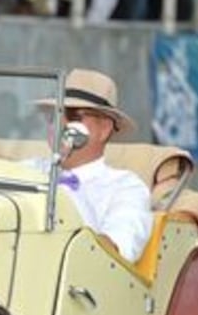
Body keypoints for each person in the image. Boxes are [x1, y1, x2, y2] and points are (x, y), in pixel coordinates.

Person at [27, 68, 152, 262]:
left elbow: (115, 251)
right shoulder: (27, 170)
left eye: (74, 117)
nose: (59, 124)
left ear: (104, 129)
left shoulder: (126, 187)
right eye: (53, 116)